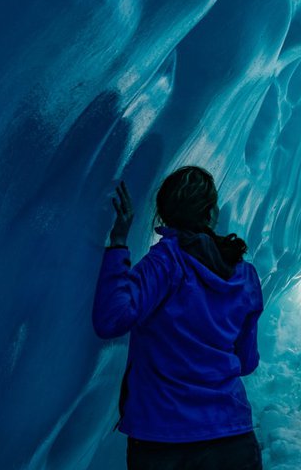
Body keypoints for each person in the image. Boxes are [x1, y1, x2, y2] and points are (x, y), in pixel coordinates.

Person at [93, 166, 265, 470]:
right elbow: (247, 361)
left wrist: (119, 241)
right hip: (231, 436)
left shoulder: (165, 263)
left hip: (162, 438)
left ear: (163, 213)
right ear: (211, 212)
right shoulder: (245, 275)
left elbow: (111, 319)